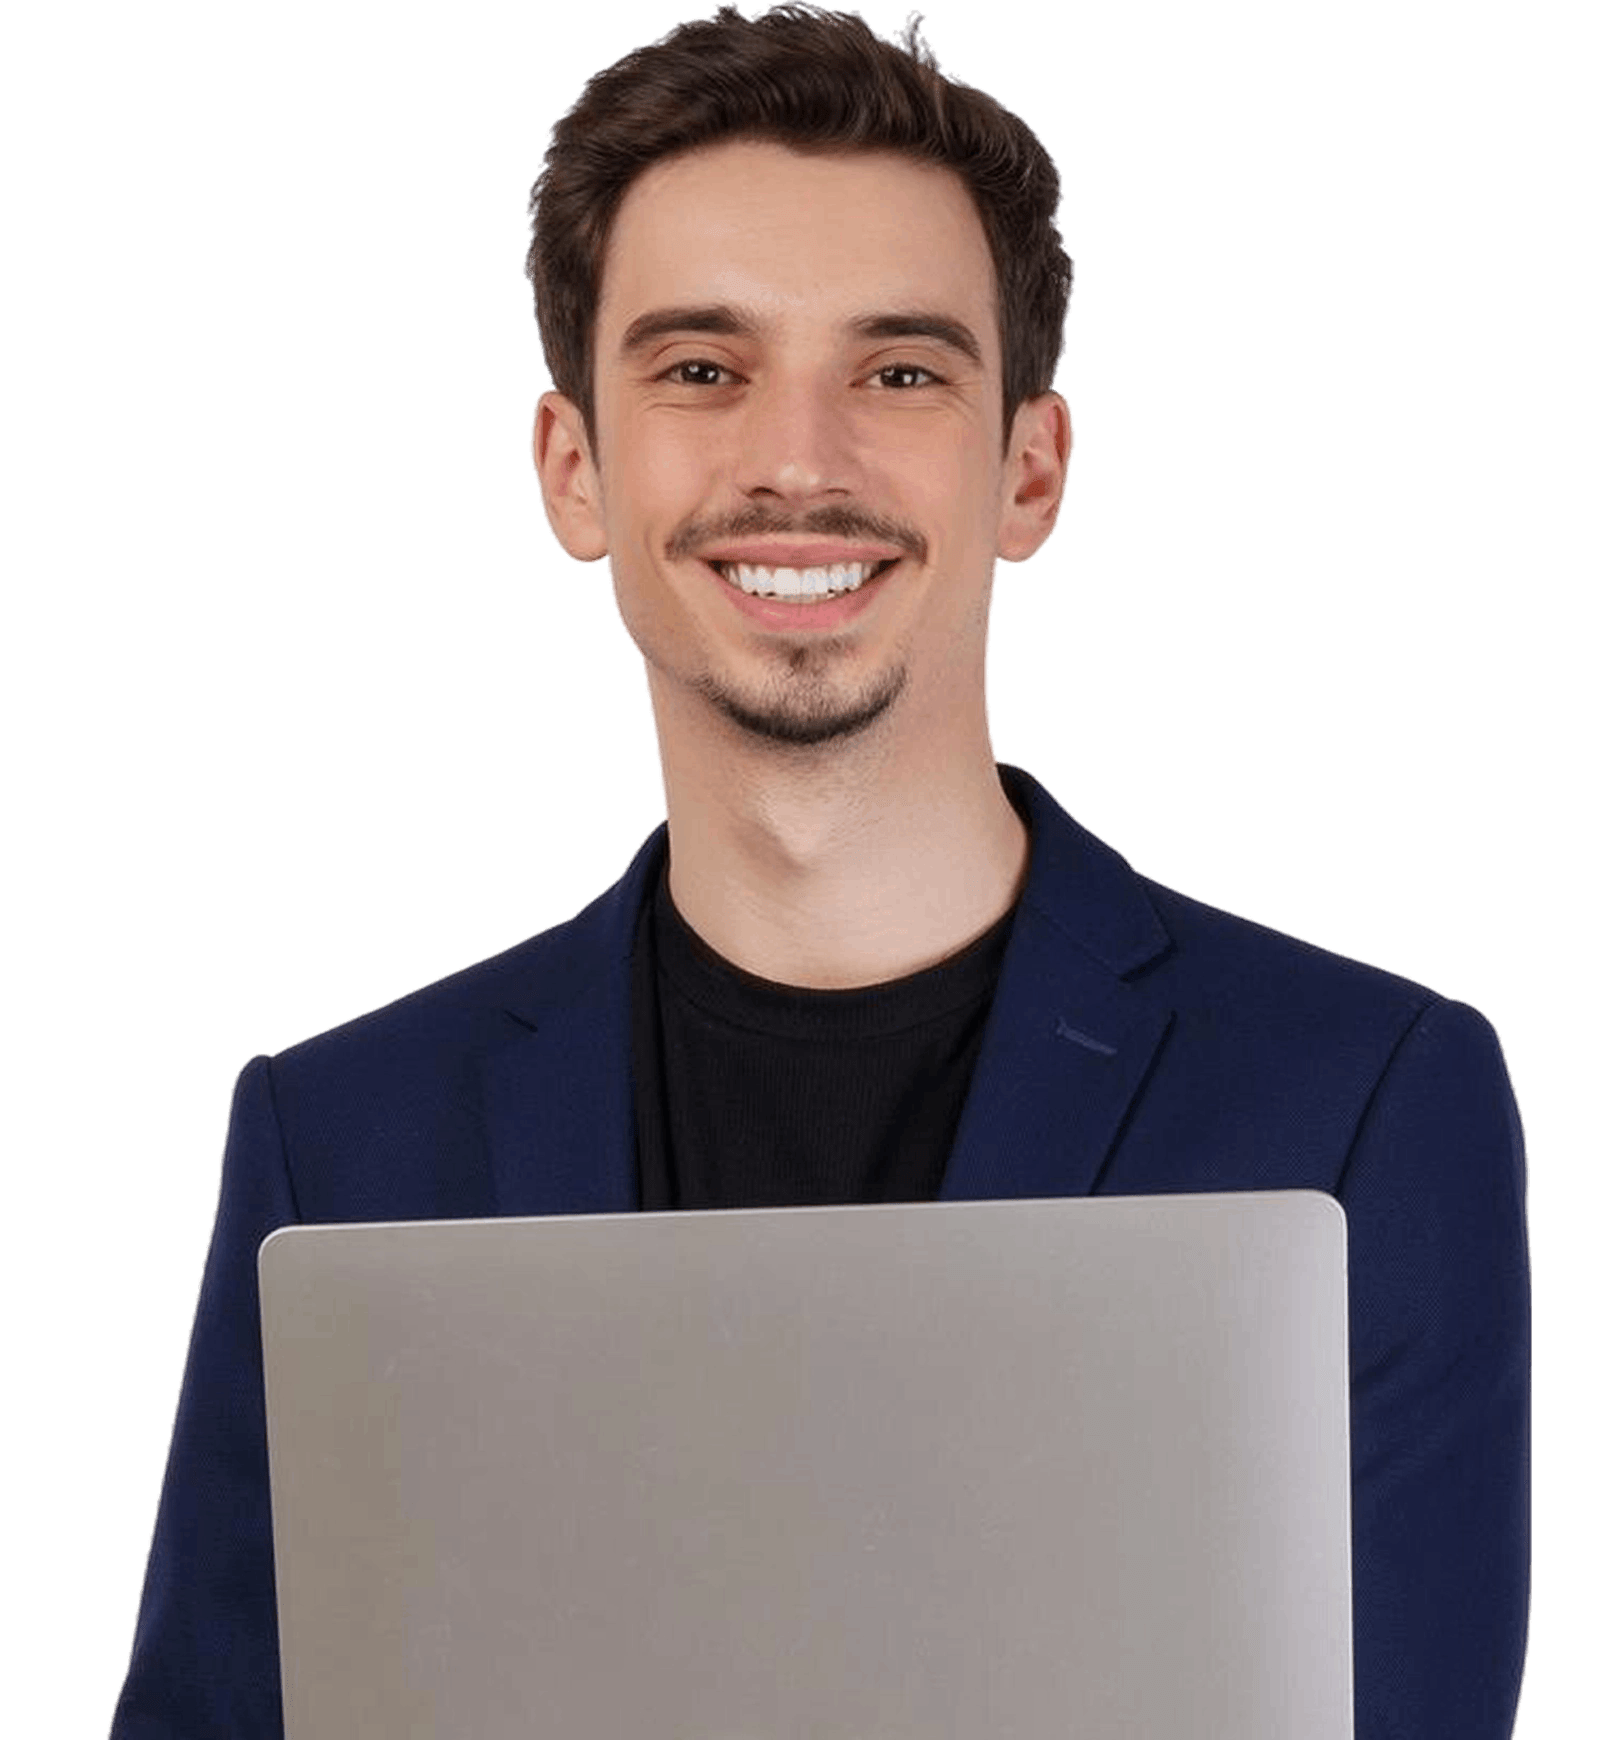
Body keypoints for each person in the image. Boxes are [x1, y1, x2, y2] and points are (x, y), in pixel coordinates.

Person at [109, 5, 1530, 1736]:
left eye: (900, 372)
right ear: (575, 468)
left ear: (1029, 470)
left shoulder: (1371, 1100)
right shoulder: (339, 1144)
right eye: (702, 370)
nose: (798, 460)